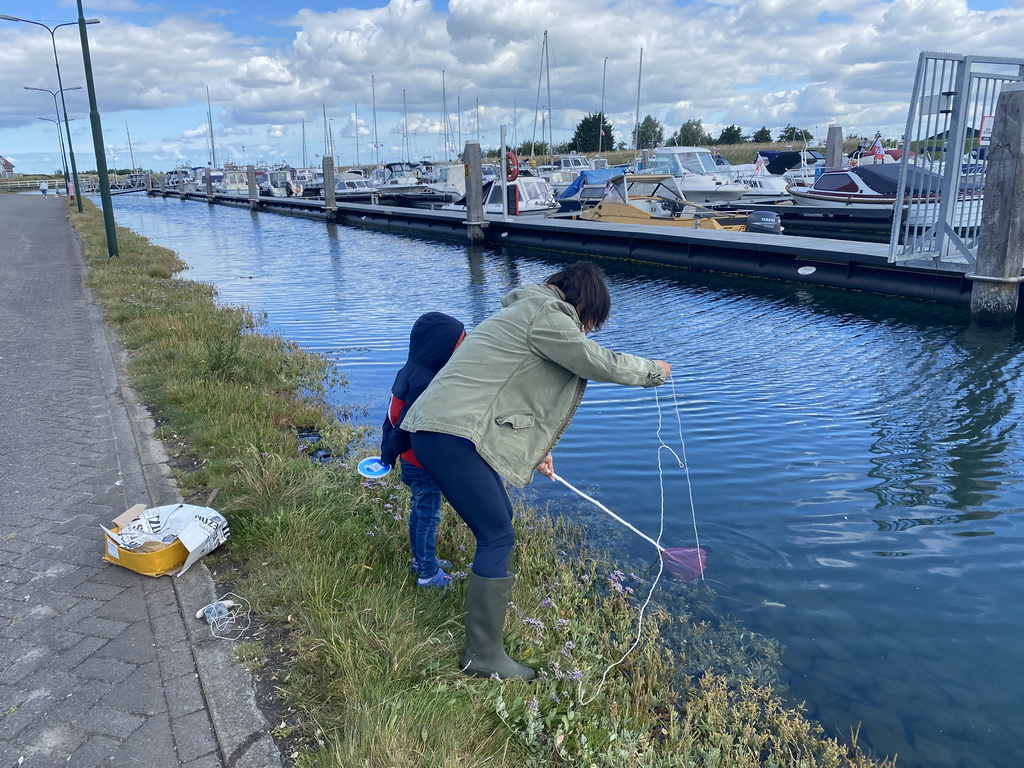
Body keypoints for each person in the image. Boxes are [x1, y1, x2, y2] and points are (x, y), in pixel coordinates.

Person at [402, 261, 671, 680]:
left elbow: (505, 393)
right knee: (498, 535)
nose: (586, 332)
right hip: (448, 434)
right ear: (581, 303)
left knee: (500, 524)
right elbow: (596, 361)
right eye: (590, 322)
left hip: (442, 431)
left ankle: (484, 642)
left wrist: (534, 452)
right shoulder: (548, 315)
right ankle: (483, 656)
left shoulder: (522, 313)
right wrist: (654, 370)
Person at [380, 312, 466, 589]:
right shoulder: (426, 382)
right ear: (441, 348)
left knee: (420, 511)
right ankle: (428, 574)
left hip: (410, 461)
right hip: (422, 463)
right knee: (429, 516)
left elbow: (389, 417)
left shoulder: (409, 370)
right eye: (459, 346)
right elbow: (405, 425)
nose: (462, 351)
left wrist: (388, 453)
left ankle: (420, 559)